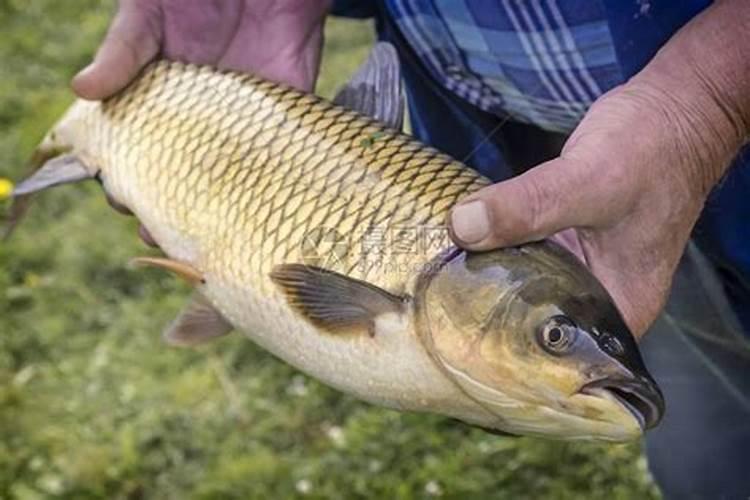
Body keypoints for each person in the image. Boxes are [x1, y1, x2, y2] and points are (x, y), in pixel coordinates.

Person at [72, 1, 749, 498]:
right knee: (705, 444)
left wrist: (710, 104)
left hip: (712, 138)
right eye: (553, 335)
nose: (560, 344)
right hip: (493, 138)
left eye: (553, 335)